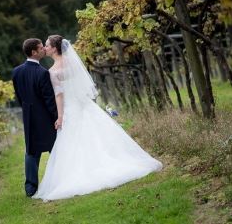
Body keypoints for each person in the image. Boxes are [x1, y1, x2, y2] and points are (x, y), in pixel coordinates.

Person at [32, 35, 163, 201]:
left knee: (74, 140)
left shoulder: (53, 71)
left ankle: (86, 171)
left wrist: (60, 116)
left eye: (47, 45)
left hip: (70, 108)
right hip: (83, 104)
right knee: (96, 134)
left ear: (55, 48)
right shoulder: (72, 62)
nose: (45, 47)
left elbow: (59, 95)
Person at [12, 38, 58, 197]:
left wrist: (27, 110)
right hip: (45, 118)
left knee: (31, 151)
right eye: (40, 48)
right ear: (34, 52)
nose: (44, 50)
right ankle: (59, 179)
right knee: (56, 148)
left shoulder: (16, 72)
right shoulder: (43, 73)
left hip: (28, 117)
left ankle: (30, 188)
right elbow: (49, 100)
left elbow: (19, 96)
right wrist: (57, 117)